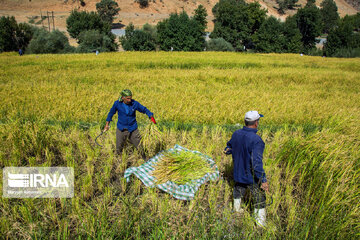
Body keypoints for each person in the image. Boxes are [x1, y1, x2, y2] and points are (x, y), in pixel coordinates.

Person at [224, 110, 269, 227]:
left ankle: (236, 211)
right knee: (259, 197)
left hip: (238, 173)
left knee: (238, 188)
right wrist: (263, 180)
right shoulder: (256, 140)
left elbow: (228, 148)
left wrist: (229, 150)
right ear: (256, 123)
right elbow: (256, 163)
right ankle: (260, 224)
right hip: (250, 176)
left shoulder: (236, 134)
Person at [104, 89, 156, 155]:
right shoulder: (117, 104)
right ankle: (119, 160)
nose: (130, 100)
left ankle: (145, 158)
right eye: (128, 98)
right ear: (123, 98)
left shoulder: (134, 104)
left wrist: (150, 116)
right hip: (121, 129)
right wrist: (107, 124)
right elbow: (111, 113)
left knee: (140, 146)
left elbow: (144, 109)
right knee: (119, 147)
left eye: (130, 98)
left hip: (133, 128)